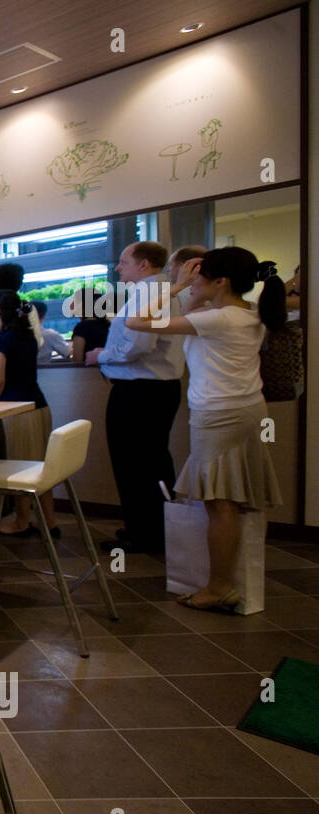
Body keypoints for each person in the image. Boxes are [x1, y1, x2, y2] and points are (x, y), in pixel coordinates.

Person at [124, 246, 283, 611]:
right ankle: (228, 578)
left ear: (220, 281)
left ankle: (221, 585)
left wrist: (177, 287)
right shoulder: (248, 313)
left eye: (200, 277)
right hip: (246, 409)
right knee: (238, 496)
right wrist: (192, 291)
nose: (193, 282)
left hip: (218, 415)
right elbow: (188, 317)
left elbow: (136, 321)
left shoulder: (220, 318)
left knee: (219, 502)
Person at [85, 242, 185, 553]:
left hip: (142, 390)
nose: (118, 268)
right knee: (150, 462)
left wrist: (102, 356)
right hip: (151, 389)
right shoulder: (155, 291)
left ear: (144, 265)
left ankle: (146, 533)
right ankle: (151, 529)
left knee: (137, 464)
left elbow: (139, 345)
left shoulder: (151, 293)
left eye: (123, 261)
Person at [0, 292, 57, 537]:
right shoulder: (28, 336)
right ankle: (49, 520)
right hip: (38, 405)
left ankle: (22, 521)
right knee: (41, 467)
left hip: (15, 410)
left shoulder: (1, 340)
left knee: (19, 467)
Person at [69, 289, 111, 362]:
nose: (71, 305)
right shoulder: (107, 324)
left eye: (74, 302)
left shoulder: (82, 328)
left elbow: (77, 361)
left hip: (89, 373)